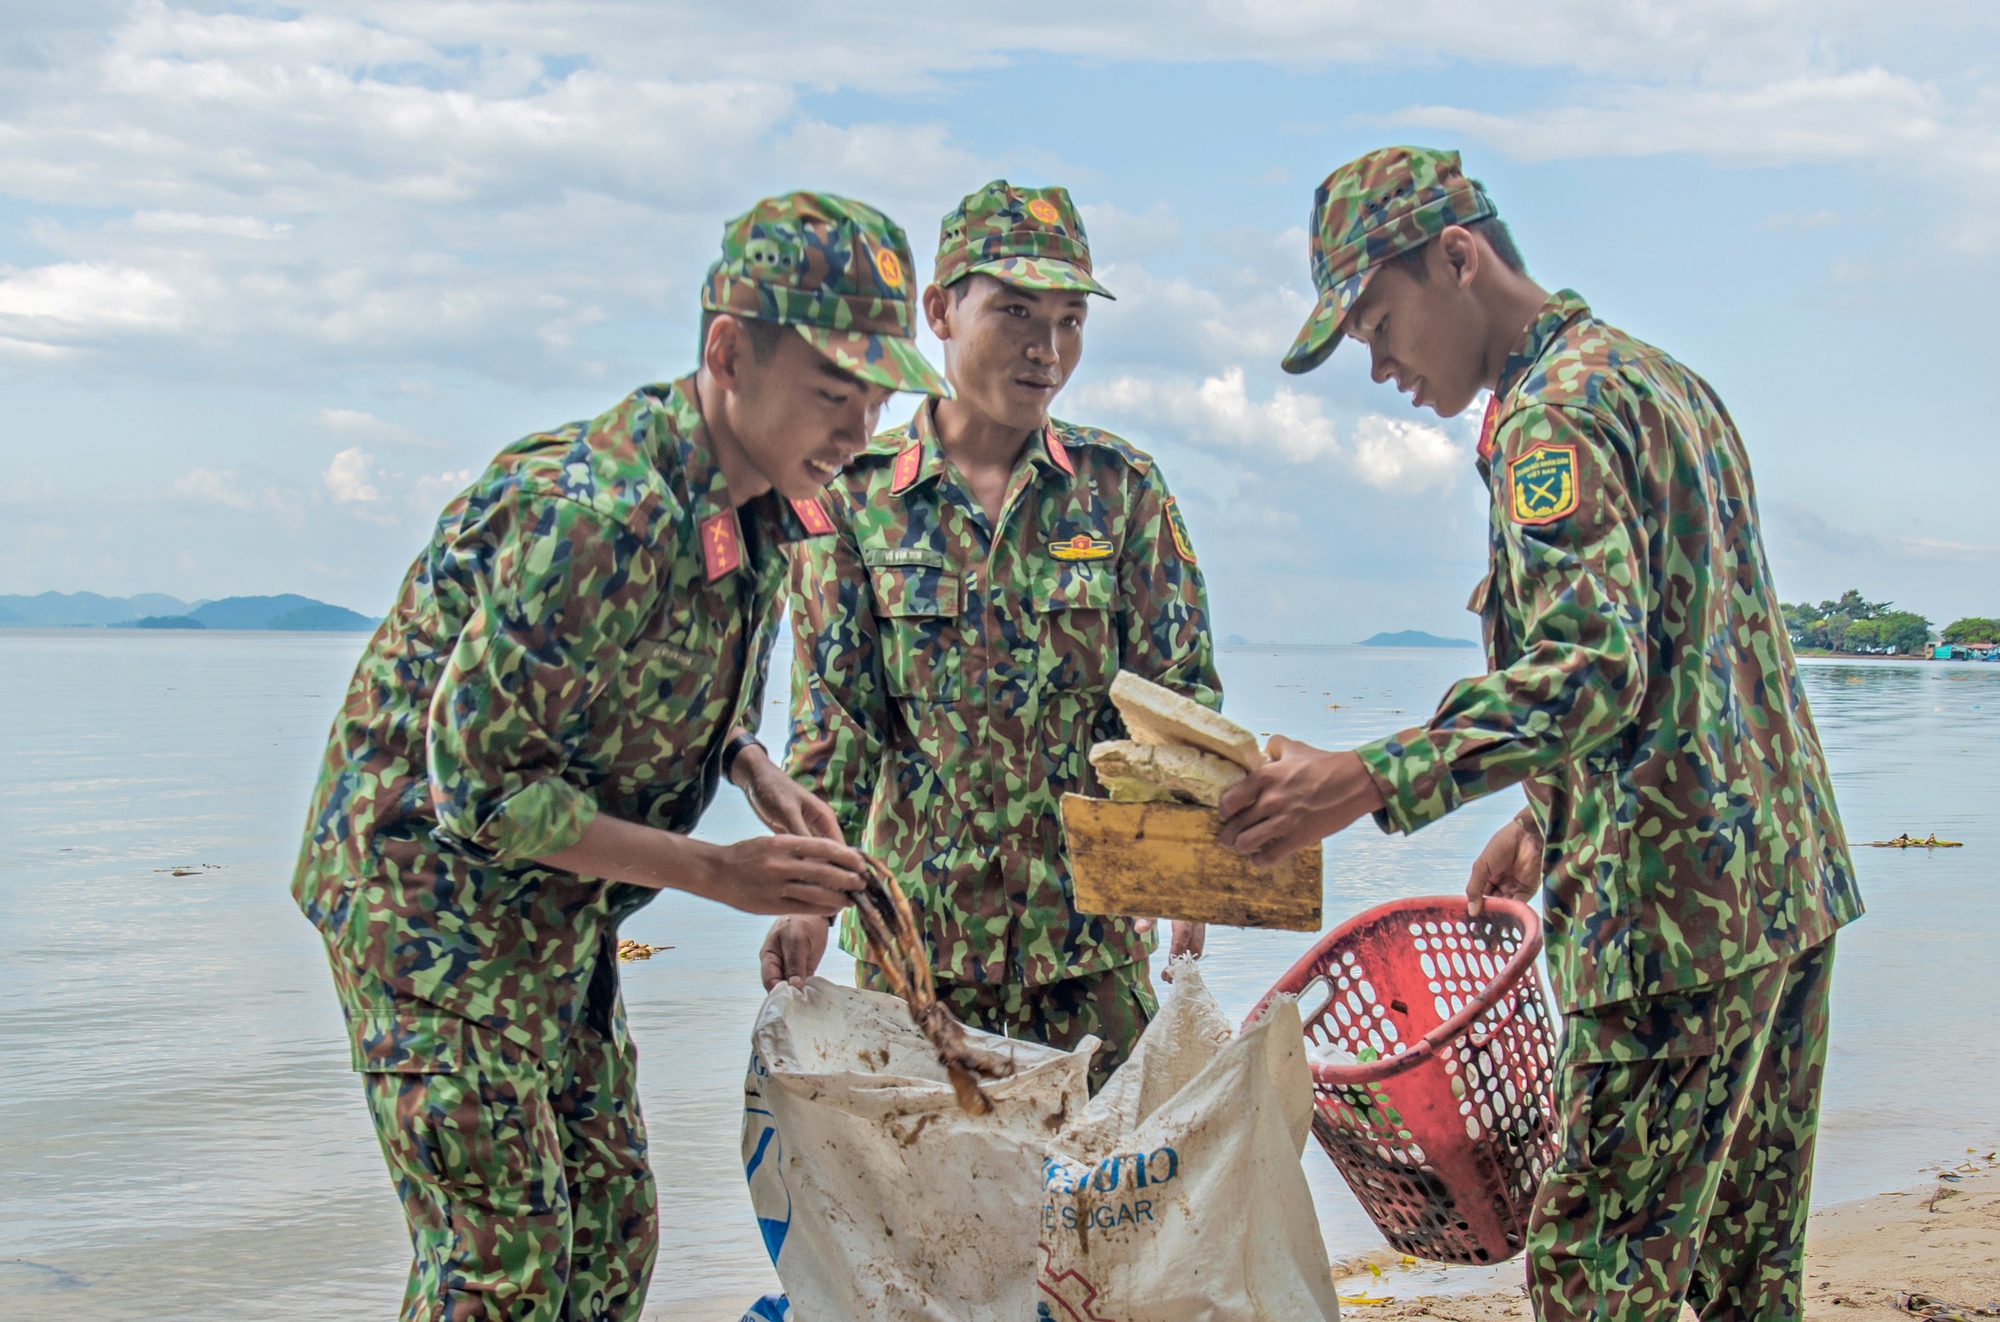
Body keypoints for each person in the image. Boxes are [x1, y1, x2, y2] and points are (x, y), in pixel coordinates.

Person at [1216, 147, 1863, 1319]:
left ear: (1455, 258)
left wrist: (1366, 776)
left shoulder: (1549, 417)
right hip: (1781, 892)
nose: (1378, 365)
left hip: (1670, 929)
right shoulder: (1661, 380)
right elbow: (1689, 653)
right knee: (1743, 1275)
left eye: (1377, 319)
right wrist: (1543, 810)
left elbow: (1590, 667)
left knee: (1591, 1280)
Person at [290, 192, 947, 1322]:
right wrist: (717, 874)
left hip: (555, 905)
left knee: (608, 1237)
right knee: (502, 1266)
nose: (856, 426)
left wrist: (751, 764)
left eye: (877, 395)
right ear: (727, 350)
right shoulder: (595, 509)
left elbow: (642, 677)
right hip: (426, 902)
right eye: (834, 391)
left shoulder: (771, 501)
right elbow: (480, 788)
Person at [756, 180, 1218, 1091]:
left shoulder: (1121, 490)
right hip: (916, 959)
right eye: (1014, 312)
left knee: (1116, 1219)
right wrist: (807, 899)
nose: (1047, 350)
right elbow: (834, 728)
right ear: (939, 311)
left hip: (1094, 952)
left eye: (1070, 320)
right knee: (929, 1225)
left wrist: (1183, 869)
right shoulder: (854, 497)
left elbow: (1178, 700)